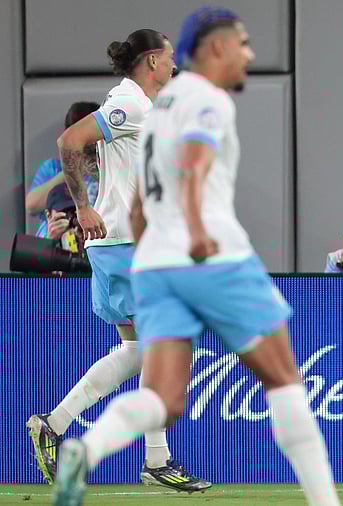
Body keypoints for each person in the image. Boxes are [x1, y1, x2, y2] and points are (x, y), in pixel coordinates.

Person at [52, 7, 340, 506]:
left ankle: (87, 447)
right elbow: (193, 164)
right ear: (216, 49)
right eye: (242, 44)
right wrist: (199, 232)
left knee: (161, 393)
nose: (250, 54)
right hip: (214, 255)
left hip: (155, 261)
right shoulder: (204, 99)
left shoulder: (158, 106)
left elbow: (139, 202)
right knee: (284, 380)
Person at [27, 28, 210, 492]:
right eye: (170, 58)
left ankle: (53, 424)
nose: (175, 65)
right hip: (126, 245)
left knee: (137, 350)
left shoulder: (137, 105)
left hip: (126, 244)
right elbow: (70, 140)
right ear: (152, 61)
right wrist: (83, 206)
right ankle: (156, 460)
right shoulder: (130, 103)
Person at [25, 101, 100, 238]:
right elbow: (31, 205)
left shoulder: (107, 169)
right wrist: (72, 166)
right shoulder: (53, 167)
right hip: (54, 240)